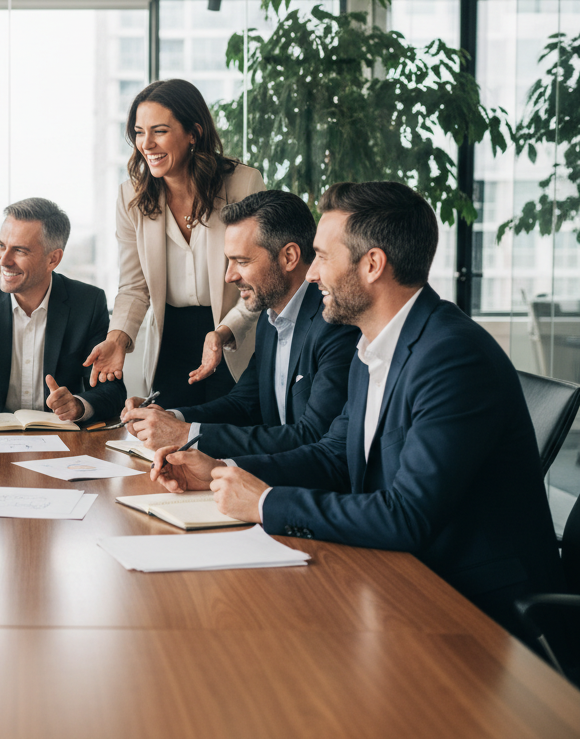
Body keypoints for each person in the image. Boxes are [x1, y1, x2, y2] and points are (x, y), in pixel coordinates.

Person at [150, 181, 563, 634]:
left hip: (476, 611)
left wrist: (266, 502)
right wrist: (218, 469)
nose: (310, 274)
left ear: (372, 265)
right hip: (403, 579)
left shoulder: (452, 357)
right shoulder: (376, 344)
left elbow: (408, 515)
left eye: (323, 257)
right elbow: (331, 456)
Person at [122, 190, 359, 456]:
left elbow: (314, 436)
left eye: (242, 261)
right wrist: (170, 417)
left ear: (289, 257)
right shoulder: (270, 319)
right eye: (229, 261)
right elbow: (243, 404)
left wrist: (186, 434)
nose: (229, 276)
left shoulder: (335, 322)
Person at [84, 79, 265, 407]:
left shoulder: (243, 183)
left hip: (233, 332)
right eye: (139, 132)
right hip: (172, 337)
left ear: (193, 133)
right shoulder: (131, 197)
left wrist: (224, 332)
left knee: (230, 440)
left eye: (160, 131)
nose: (146, 144)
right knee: (168, 443)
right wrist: (117, 338)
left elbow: (258, 281)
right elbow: (134, 287)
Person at [0, 198, 125, 424]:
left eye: (19, 250)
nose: (4, 260)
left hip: (61, 443)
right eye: (1, 245)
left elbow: (112, 391)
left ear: (53, 259)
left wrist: (78, 405)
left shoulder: (87, 303)